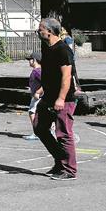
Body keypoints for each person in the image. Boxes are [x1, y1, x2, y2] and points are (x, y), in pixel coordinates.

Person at [33, 17, 78, 180]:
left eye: (40, 30)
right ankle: (59, 160)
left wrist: (61, 98)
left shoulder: (63, 50)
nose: (38, 32)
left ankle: (69, 170)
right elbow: (49, 74)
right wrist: (42, 89)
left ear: (49, 31)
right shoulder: (47, 48)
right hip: (48, 97)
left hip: (63, 99)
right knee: (39, 127)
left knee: (64, 133)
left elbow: (66, 77)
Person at [24, 52, 42, 140]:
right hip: (37, 95)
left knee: (32, 112)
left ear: (34, 60)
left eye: (30, 59)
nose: (29, 61)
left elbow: (47, 83)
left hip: (37, 97)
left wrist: (38, 92)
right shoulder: (38, 70)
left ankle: (36, 133)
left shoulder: (37, 71)